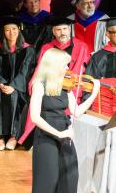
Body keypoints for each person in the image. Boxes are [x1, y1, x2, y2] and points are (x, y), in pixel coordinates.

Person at [23, 48, 100, 193]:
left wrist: (93, 94)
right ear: (54, 65)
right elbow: (35, 117)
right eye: (65, 64)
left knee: (69, 178)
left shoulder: (66, 87)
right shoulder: (39, 85)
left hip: (65, 135)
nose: (68, 68)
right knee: (47, 182)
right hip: (47, 136)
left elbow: (76, 111)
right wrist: (59, 133)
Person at [18, 16, 91, 147]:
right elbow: (40, 71)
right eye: (58, 29)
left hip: (71, 88)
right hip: (49, 88)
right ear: (53, 31)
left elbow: (82, 72)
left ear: (70, 29)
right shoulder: (47, 47)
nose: (62, 32)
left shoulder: (82, 47)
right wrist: (35, 86)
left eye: (65, 29)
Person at [0, 16, 35, 151]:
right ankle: (0, 136)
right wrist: (1, 84)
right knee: (0, 96)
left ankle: (14, 136)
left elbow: (25, 72)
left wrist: (13, 86)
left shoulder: (28, 50)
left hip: (20, 88)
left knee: (14, 96)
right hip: (0, 87)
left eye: (14, 29)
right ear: (3, 32)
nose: (11, 33)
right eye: (7, 30)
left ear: (19, 30)